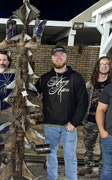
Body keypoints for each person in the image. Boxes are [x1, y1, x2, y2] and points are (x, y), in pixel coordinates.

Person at [35, 46, 88, 180]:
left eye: (61, 55)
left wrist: (75, 122)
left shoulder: (76, 77)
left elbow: (83, 102)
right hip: (49, 125)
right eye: (56, 55)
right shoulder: (45, 78)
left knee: (70, 156)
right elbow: (33, 92)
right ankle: (52, 178)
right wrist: (21, 92)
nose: (58, 57)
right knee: (50, 155)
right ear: (52, 58)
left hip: (68, 126)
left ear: (66, 57)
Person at [78, 56, 112, 176]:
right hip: (90, 120)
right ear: (97, 67)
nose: (104, 66)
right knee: (89, 145)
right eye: (102, 64)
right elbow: (83, 101)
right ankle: (88, 165)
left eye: (107, 64)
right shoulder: (90, 84)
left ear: (110, 67)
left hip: (108, 122)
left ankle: (102, 169)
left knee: (106, 147)